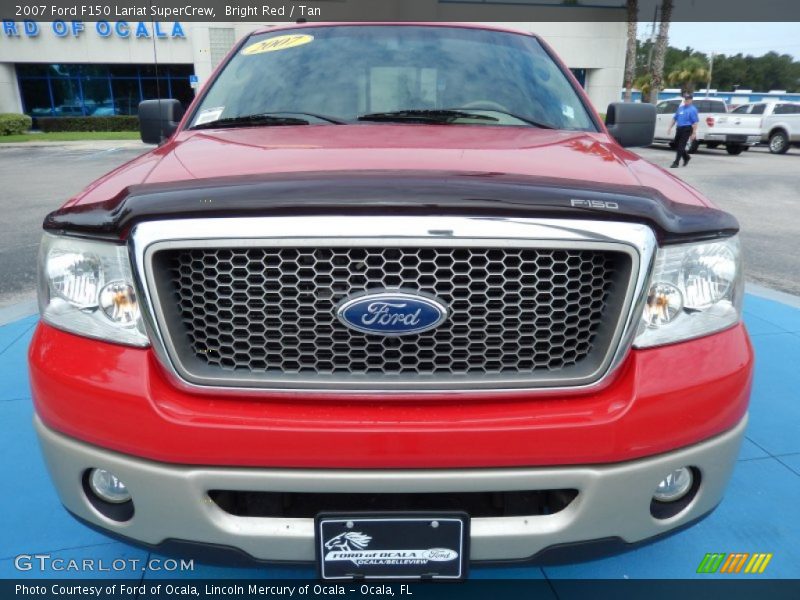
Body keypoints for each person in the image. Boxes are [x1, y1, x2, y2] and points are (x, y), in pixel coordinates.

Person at [666, 93, 699, 168]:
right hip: (679, 128)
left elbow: (695, 122)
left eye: (688, 99)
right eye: (685, 99)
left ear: (691, 100)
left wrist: (693, 133)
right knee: (676, 144)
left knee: (681, 145)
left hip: (687, 128)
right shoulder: (680, 108)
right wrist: (670, 128)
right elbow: (675, 118)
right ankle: (686, 157)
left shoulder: (693, 110)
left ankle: (676, 162)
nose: (686, 101)